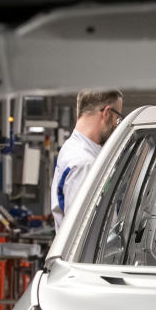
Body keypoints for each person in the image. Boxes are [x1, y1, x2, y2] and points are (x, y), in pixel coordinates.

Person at [50, 89, 123, 229]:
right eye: (118, 118)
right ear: (107, 113)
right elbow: (82, 230)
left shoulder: (71, 147)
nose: (116, 125)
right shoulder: (85, 163)